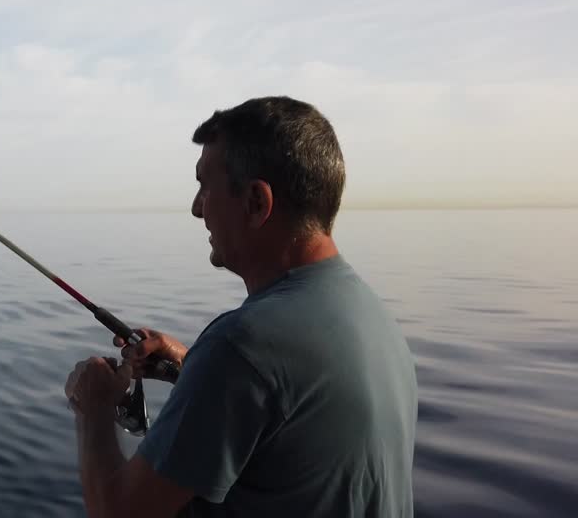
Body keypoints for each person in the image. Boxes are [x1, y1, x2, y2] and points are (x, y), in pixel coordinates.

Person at [64, 96, 417, 517]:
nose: (196, 208)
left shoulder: (243, 346)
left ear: (255, 202)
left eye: (204, 186)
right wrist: (192, 366)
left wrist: (95, 405)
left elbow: (117, 512)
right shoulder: (371, 315)